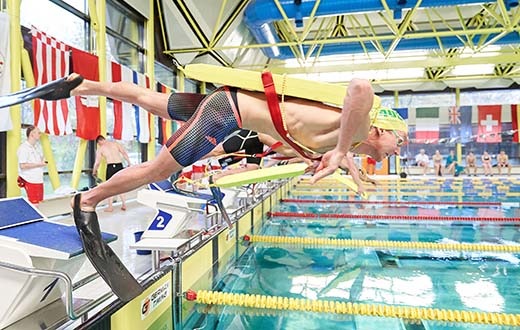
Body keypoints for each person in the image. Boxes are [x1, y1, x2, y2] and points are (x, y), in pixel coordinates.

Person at [41, 74, 407, 222]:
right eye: (399, 141)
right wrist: (342, 151)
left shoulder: (349, 140)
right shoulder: (357, 125)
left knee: (151, 100)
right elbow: (360, 87)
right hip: (226, 113)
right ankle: (86, 200)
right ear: (381, 129)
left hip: (229, 105)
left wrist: (341, 161)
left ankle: (83, 85)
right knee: (158, 170)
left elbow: (341, 154)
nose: (398, 150)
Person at [92, 135, 131, 211]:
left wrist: (94, 171)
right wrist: (129, 163)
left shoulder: (101, 149)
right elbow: (124, 153)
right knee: (121, 187)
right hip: (119, 166)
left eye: (98, 144)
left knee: (109, 187)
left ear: (99, 141)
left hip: (110, 167)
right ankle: (124, 204)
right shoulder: (115, 144)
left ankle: (110, 207)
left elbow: (97, 163)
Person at [17, 125, 47, 205]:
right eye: (38, 133)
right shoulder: (24, 148)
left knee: (39, 203)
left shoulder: (36, 148)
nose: (40, 135)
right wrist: (39, 164)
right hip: (30, 179)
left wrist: (42, 161)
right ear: (32, 134)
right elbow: (22, 166)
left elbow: (38, 162)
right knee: (34, 205)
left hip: (38, 179)